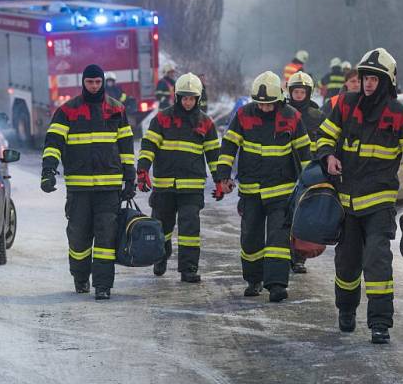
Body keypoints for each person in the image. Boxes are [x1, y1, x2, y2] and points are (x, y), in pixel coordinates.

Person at [315, 48, 403, 343]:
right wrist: (328, 156)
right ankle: (346, 310)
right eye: (365, 77)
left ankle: (380, 323)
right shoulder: (344, 105)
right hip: (347, 202)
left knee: (377, 261)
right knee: (347, 262)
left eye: (374, 79)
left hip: (379, 202)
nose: (367, 83)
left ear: (387, 82)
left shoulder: (401, 115)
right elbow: (324, 137)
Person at [41, 64, 136, 300]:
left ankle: (103, 286)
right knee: (78, 237)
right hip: (79, 189)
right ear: (83, 83)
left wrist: (130, 177)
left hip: (109, 188)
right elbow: (53, 143)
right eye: (89, 82)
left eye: (97, 82)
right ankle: (81, 277)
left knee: (106, 238)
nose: (94, 86)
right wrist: (48, 171)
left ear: (103, 82)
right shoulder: (67, 111)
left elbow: (125, 145)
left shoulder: (116, 110)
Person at [216, 71, 311, 302]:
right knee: (250, 240)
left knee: (278, 240)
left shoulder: (292, 116)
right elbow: (229, 146)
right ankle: (254, 280)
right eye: (260, 104)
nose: (265, 108)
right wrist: (222, 176)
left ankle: (277, 285)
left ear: (279, 98)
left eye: (269, 104)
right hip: (251, 191)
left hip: (282, 191)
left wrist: (311, 184)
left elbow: (304, 153)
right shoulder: (244, 115)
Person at [137, 73, 220, 283]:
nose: (188, 102)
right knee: (161, 227)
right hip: (164, 186)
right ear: (177, 97)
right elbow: (149, 146)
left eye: (192, 98)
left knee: (189, 229)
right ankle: (160, 257)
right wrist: (142, 170)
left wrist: (221, 180)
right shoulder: (162, 118)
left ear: (198, 99)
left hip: (191, 188)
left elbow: (213, 155)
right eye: (184, 98)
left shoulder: (206, 123)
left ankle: (188, 268)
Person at [285, 71, 324, 274]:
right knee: (284, 214)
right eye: (296, 92)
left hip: (309, 171)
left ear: (308, 93)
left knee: (303, 215)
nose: (299, 95)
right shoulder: (282, 112)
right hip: (285, 170)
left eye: (302, 92)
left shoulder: (317, 116)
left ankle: (299, 258)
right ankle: (283, 254)